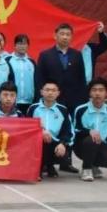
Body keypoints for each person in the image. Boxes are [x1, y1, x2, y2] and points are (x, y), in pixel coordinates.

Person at [35, 23, 89, 173]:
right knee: (50, 128)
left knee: (68, 130)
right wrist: (41, 96)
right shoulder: (45, 55)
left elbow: (81, 79)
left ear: (71, 37)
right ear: (55, 35)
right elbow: (39, 78)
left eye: (68, 34)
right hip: (51, 99)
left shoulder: (76, 55)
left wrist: (83, 100)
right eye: (62, 34)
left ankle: (66, 161)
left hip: (72, 100)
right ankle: (46, 162)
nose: (65, 37)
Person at [73, 77, 107, 182]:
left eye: (101, 90)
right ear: (90, 93)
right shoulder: (81, 109)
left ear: (106, 93)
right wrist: (89, 131)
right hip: (82, 146)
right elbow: (75, 130)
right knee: (91, 140)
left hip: (102, 145)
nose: (97, 93)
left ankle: (93, 165)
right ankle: (86, 169)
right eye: (94, 90)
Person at [28, 81, 73, 179]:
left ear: (58, 93)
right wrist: (40, 131)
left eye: (53, 90)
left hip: (55, 143)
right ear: (41, 92)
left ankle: (49, 165)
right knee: (42, 143)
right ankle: (38, 169)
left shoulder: (63, 110)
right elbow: (27, 128)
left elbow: (69, 131)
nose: (50, 93)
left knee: (64, 156)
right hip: (37, 142)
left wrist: (62, 143)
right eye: (47, 90)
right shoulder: (33, 108)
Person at [7, 34, 36, 114]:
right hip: (12, 101)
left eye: (25, 44)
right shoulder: (7, 60)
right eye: (20, 43)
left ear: (28, 46)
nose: (22, 46)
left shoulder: (32, 62)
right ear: (15, 45)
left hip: (29, 102)